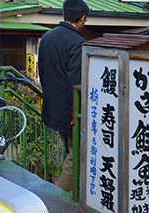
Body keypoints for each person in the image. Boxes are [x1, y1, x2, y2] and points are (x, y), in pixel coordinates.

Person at [38, 0, 89, 194]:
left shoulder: (47, 37)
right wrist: (75, 111)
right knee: (76, 154)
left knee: (69, 150)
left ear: (64, 14)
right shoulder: (77, 42)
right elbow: (75, 82)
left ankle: (72, 194)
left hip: (53, 106)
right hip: (69, 110)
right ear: (83, 18)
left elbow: (42, 72)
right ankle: (62, 198)